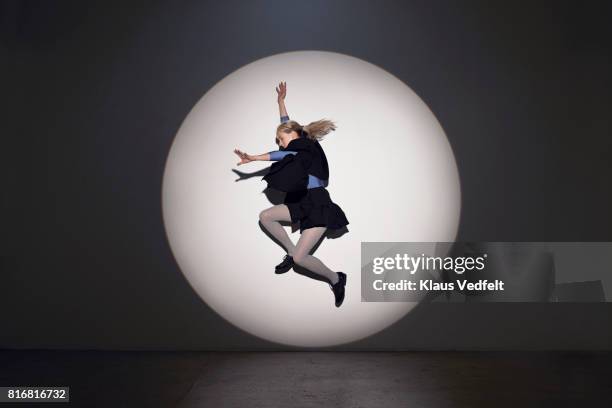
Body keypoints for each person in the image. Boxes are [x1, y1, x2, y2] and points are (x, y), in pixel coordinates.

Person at [233, 81, 349, 307]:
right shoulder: (297, 147)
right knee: (266, 216)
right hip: (301, 201)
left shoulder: (306, 144)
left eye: (280, 138)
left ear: (293, 135)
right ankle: (291, 249)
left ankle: (336, 278)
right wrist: (280, 102)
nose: (279, 142)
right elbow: (286, 129)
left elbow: (284, 147)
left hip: (317, 203)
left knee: (299, 259)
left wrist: (255, 158)